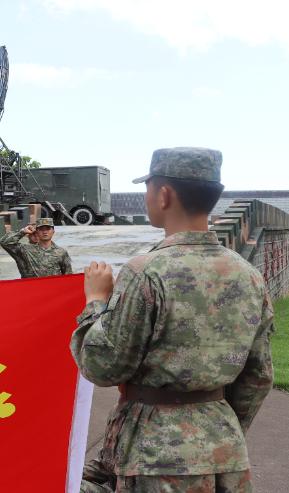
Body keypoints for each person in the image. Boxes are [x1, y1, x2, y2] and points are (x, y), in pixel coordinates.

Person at [71, 148, 274, 493]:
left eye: (148, 188)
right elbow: (259, 376)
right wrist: (220, 430)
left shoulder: (145, 272)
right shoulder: (248, 274)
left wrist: (95, 303)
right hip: (225, 452)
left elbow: (102, 367)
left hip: (155, 456)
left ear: (163, 195)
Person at [0, 217, 72, 277]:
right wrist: (23, 231)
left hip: (53, 288)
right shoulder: (26, 249)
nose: (45, 232)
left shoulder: (61, 252)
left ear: (53, 232)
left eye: (48, 229)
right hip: (31, 288)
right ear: (37, 232)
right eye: (41, 229)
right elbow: (4, 242)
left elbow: (68, 276)